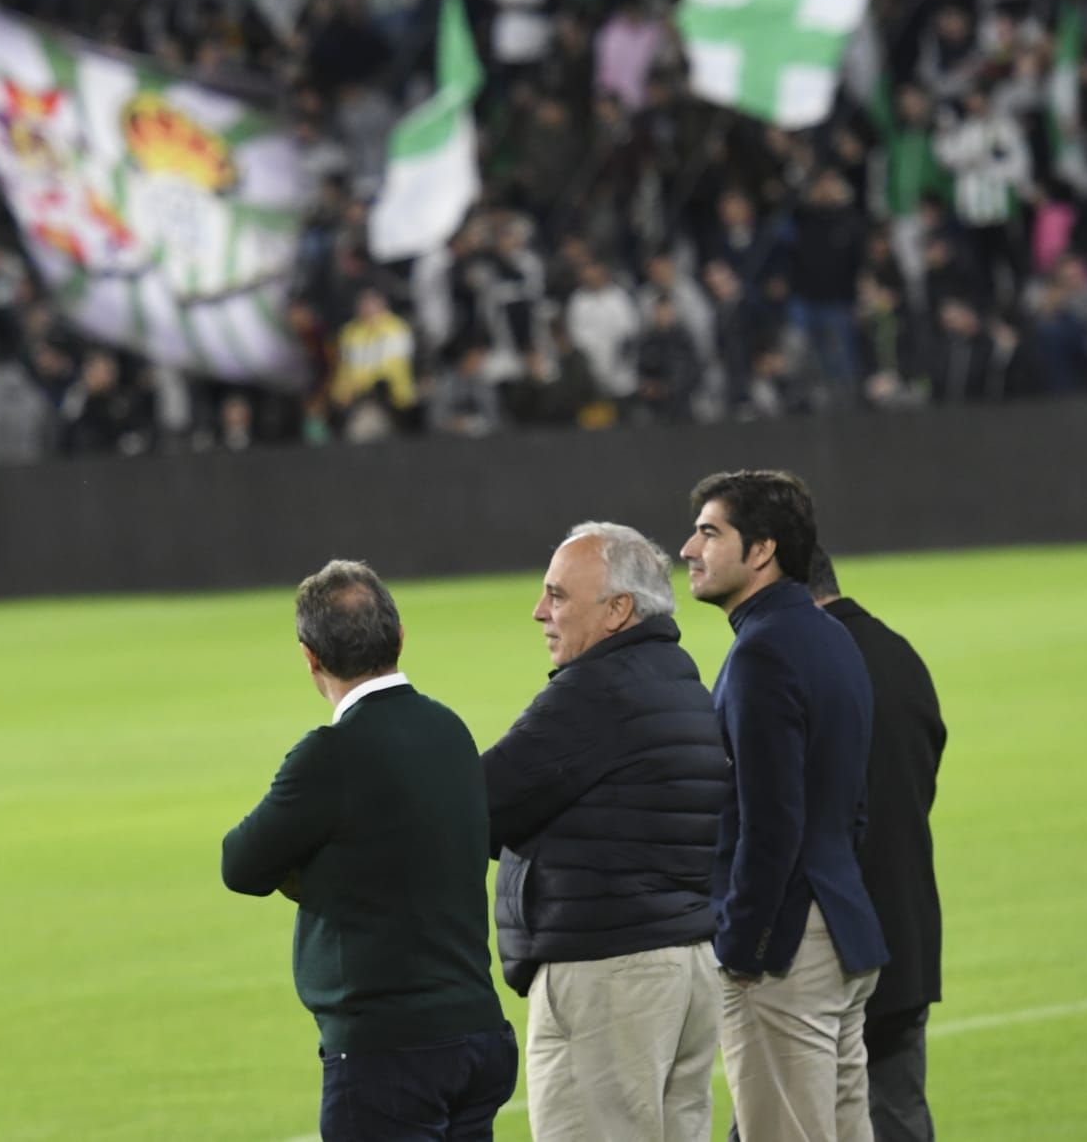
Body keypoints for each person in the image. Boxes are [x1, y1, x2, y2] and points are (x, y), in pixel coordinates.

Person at [223, 560, 516, 1141]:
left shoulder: (331, 754)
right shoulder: (451, 731)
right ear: (400, 636)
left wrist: (311, 871)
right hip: (478, 1036)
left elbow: (241, 864)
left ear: (310, 655)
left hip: (388, 1055)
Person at [483, 523, 730, 1142]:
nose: (540, 611)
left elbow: (478, 802)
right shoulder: (678, 680)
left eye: (559, 596)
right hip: (686, 968)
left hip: (608, 975)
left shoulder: (595, 692)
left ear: (619, 610)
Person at [679, 470, 887, 1142]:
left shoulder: (761, 652)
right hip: (845, 927)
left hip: (787, 948)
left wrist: (742, 945)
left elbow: (771, 823)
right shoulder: (834, 638)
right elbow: (853, 805)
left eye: (710, 532)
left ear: (762, 549)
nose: (689, 548)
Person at [806, 548, 947, 1142]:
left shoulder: (802, 663)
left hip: (824, 948)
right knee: (898, 1115)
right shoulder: (899, 653)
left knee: (783, 1116)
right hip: (905, 933)